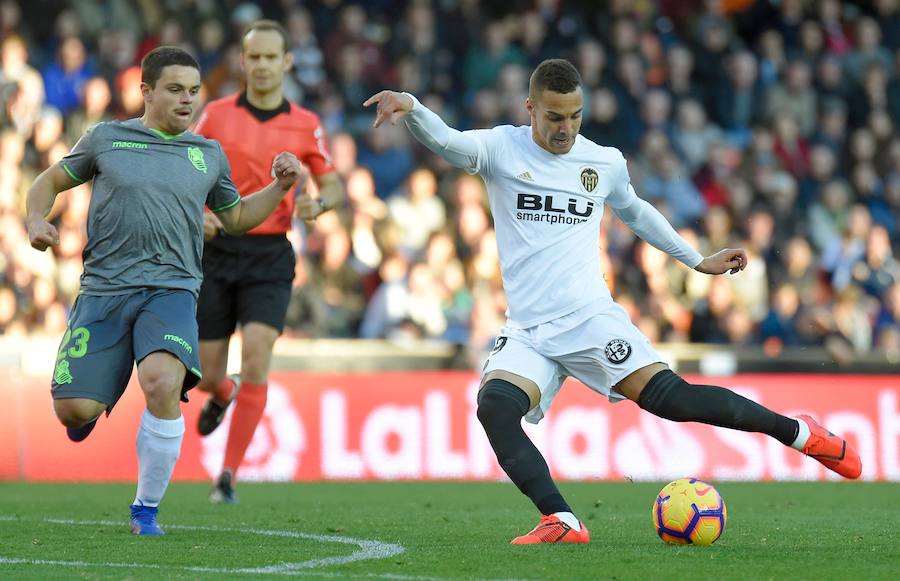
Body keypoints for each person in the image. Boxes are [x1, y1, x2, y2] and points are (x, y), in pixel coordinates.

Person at [363, 59, 862, 545]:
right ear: (530, 107)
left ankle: (800, 432)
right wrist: (412, 106)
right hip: (528, 331)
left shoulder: (603, 162)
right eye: (555, 117)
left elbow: (637, 212)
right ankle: (562, 519)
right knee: (494, 407)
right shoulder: (500, 148)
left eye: (575, 116)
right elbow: (448, 142)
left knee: (675, 401)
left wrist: (695, 259)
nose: (566, 128)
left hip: (589, 319)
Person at [25, 46, 305, 536]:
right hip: (104, 292)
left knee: (161, 383)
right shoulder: (107, 139)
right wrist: (35, 221)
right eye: (175, 89)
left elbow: (236, 217)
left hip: (171, 291)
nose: (187, 100)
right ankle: (89, 400)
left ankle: (145, 511)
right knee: (73, 412)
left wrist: (280, 188)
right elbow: (45, 185)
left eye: (194, 91)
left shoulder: (207, 154)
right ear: (146, 91)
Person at [191, 20, 343, 504]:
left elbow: (332, 184)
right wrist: (199, 213)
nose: (260, 66)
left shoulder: (304, 122)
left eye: (269, 57)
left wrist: (317, 205)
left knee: (256, 358)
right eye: (252, 57)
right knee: (207, 371)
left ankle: (228, 477)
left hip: (270, 254)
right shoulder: (214, 116)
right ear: (242, 61)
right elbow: (183, 170)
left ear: (286, 63)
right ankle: (221, 392)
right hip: (216, 252)